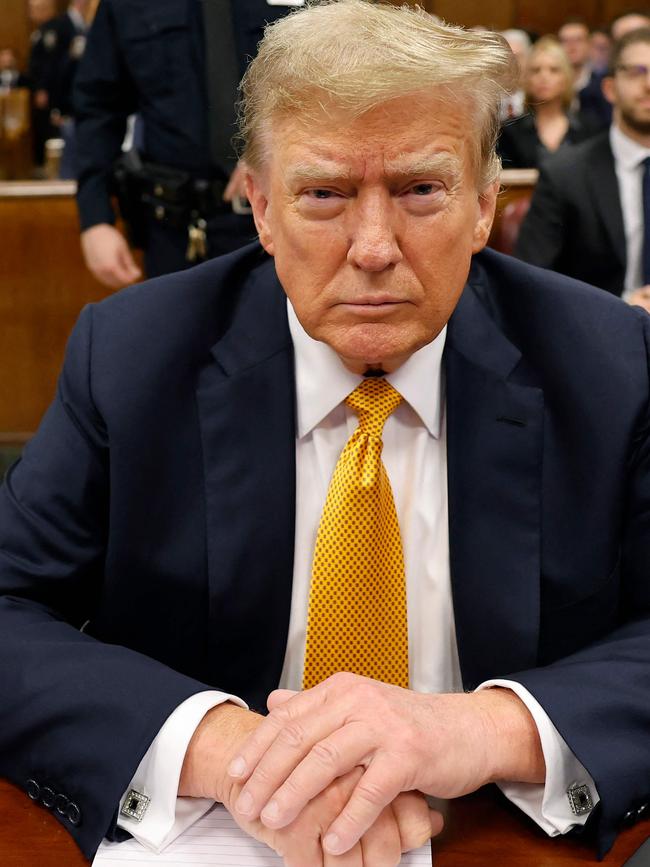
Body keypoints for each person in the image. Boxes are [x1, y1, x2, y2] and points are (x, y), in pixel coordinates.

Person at [1, 2, 649, 865]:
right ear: (261, 210)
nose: (374, 246)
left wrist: (487, 727)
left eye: (421, 189)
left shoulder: (608, 363)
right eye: (324, 194)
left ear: (487, 206)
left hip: (495, 838)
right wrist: (230, 751)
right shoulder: (131, 359)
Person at [73, 0, 295, 289]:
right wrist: (96, 219)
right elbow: (98, 109)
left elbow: (337, 79)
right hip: (175, 231)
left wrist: (272, 149)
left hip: (285, 221)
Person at [515, 26, 650, 307]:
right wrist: (623, 308)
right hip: (601, 327)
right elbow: (531, 280)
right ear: (610, 89)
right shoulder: (565, 174)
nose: (649, 84)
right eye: (637, 72)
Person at [497, 36, 597, 169]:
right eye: (536, 70)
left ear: (566, 78)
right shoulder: (509, 132)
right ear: (527, 78)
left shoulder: (590, 128)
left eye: (554, 70)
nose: (544, 77)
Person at [558, 17, 611, 128]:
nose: (571, 47)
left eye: (578, 40)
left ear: (589, 45)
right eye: (565, 41)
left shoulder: (603, 84)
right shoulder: (550, 84)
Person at [499, 29, 531, 121]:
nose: (511, 63)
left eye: (517, 57)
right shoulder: (487, 102)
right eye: (506, 57)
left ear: (528, 60)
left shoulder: (538, 100)